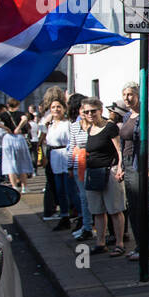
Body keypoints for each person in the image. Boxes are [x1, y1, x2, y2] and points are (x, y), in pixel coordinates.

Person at [79, 97, 126, 257]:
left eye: (93, 111)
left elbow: (119, 150)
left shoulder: (110, 127)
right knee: (97, 210)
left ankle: (119, 243)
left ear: (100, 110)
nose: (90, 114)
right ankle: (101, 242)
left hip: (109, 171)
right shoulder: (89, 129)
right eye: (86, 112)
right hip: (93, 173)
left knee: (115, 209)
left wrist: (120, 168)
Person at [117, 82, 149, 262]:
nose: (127, 98)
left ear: (138, 95)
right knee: (132, 207)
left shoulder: (144, 116)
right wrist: (120, 166)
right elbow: (123, 143)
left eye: (131, 94)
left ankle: (148, 247)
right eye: (124, 94)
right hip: (128, 163)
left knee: (142, 206)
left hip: (138, 163)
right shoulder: (127, 116)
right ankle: (140, 245)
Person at [66, 93, 94, 242]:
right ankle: (87, 226)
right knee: (83, 198)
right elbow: (72, 146)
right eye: (84, 111)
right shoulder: (75, 126)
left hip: (93, 164)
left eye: (89, 111)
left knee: (94, 198)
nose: (87, 113)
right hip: (79, 165)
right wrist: (70, 166)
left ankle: (93, 227)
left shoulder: (96, 125)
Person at [43, 98, 73, 225]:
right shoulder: (50, 124)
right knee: (58, 187)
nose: (56, 109)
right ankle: (64, 213)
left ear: (64, 109)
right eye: (53, 107)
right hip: (54, 155)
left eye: (58, 107)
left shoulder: (67, 124)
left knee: (68, 188)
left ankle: (73, 213)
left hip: (64, 154)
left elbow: (71, 141)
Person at [0, 100, 34, 191]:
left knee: (10, 164)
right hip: (18, 138)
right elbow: (25, 119)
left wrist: (5, 128)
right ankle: (24, 187)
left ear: (7, 105)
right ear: (18, 105)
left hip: (8, 138)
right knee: (22, 163)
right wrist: (18, 127)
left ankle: (14, 187)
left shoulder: (4, 115)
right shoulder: (20, 113)